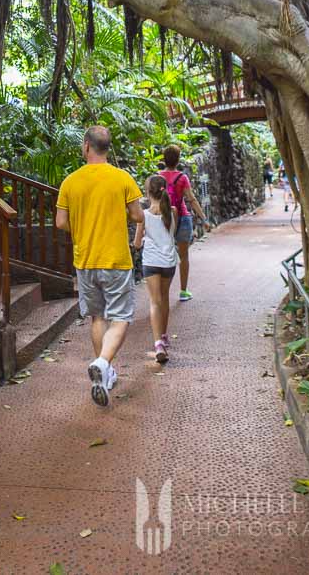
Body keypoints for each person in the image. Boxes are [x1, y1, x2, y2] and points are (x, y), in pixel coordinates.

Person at [56, 124, 143, 407]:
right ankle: (104, 363)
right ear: (107, 148)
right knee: (120, 318)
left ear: (86, 146)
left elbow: (60, 222)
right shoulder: (122, 178)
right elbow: (138, 215)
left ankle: (103, 375)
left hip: (85, 260)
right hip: (116, 260)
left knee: (97, 317)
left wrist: (82, 228)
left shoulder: (70, 182)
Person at [133, 175, 177, 364]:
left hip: (151, 261)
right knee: (165, 298)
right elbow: (171, 232)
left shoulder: (144, 215)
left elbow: (136, 244)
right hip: (169, 261)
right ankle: (164, 336)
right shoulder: (173, 211)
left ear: (147, 192)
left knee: (154, 301)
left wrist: (141, 241)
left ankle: (158, 342)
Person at [159, 145, 208, 302]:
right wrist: (204, 219)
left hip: (164, 219)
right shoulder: (182, 178)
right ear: (178, 160)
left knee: (163, 255)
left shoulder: (157, 177)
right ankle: (183, 290)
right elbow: (191, 199)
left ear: (163, 159)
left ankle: (162, 291)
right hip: (183, 218)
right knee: (184, 256)